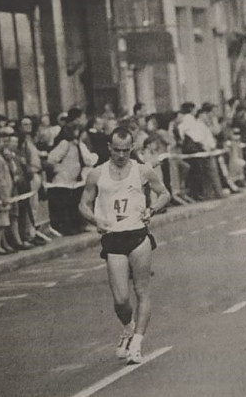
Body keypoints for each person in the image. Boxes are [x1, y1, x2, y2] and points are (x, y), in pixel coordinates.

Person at [78, 127, 170, 365]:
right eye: (116, 150)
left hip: (138, 234)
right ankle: (129, 328)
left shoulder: (142, 170)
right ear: (109, 147)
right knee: (120, 299)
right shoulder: (97, 174)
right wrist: (95, 219)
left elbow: (164, 194)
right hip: (113, 237)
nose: (121, 155)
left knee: (142, 291)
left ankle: (137, 343)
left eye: (126, 150)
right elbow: (83, 204)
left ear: (132, 149)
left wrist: (152, 209)